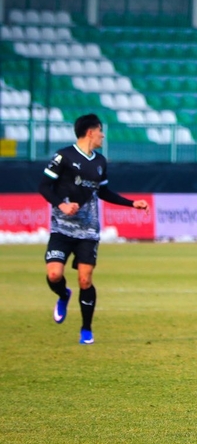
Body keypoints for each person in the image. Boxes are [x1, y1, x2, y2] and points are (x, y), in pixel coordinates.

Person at [38, 113, 149, 344]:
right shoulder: (63, 156)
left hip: (88, 231)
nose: (102, 135)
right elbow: (44, 185)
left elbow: (104, 192)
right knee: (54, 274)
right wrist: (62, 205)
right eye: (100, 131)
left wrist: (132, 203)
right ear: (90, 132)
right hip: (62, 228)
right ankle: (63, 294)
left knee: (85, 281)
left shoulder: (100, 161)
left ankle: (86, 329)